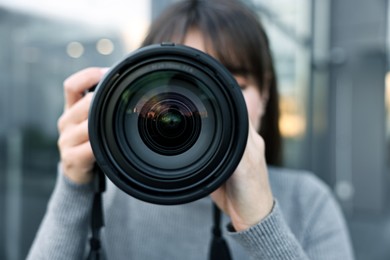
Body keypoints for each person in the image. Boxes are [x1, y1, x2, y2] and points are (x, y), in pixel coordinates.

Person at [27, 0, 355, 259]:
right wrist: (73, 185)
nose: (212, 105)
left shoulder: (307, 202)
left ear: (265, 96)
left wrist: (261, 224)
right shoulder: (110, 197)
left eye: (234, 84)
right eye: (184, 84)